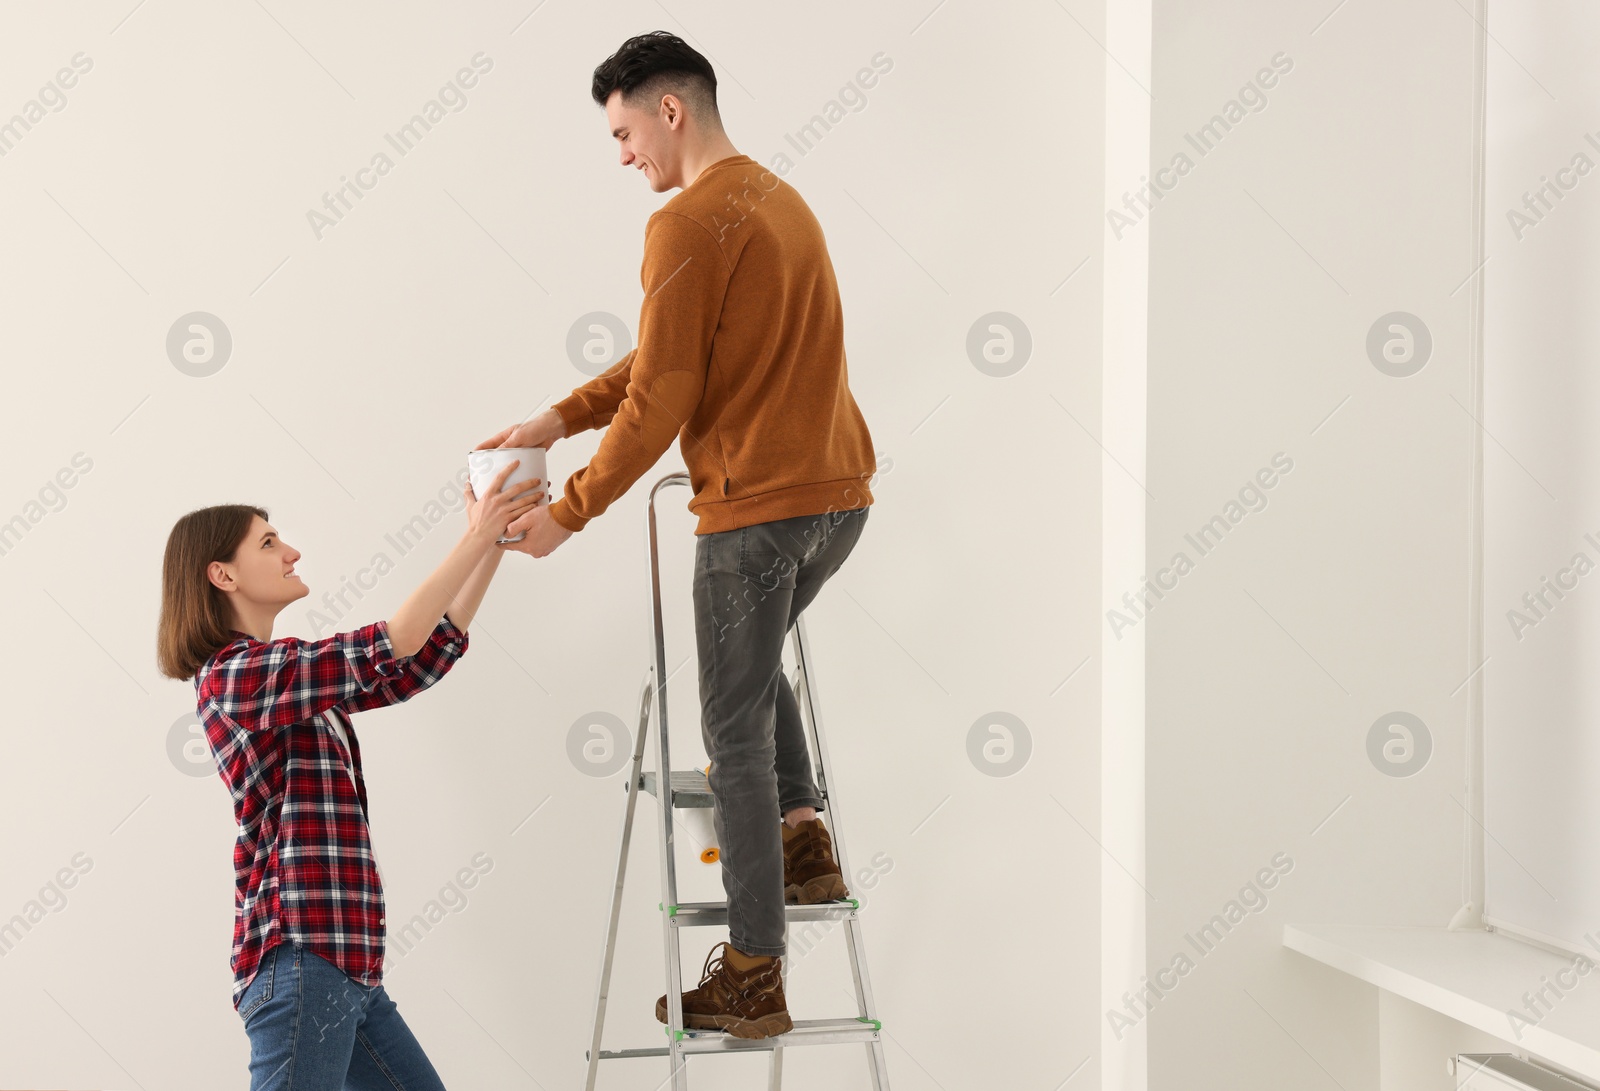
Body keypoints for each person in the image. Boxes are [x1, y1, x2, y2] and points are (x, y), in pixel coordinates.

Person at [476, 31, 878, 1039]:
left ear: (669, 109)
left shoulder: (685, 221)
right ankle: (802, 838)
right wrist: (555, 419)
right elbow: (668, 350)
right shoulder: (779, 202)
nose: (622, 158)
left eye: (622, 132)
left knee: (728, 732)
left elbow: (661, 396)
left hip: (751, 511)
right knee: (751, 672)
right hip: (838, 498)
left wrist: (565, 512)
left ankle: (752, 971)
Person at [155, 462, 541, 1090]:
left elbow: (417, 659)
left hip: (346, 965)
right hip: (300, 955)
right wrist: (475, 535)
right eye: (269, 543)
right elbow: (392, 640)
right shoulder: (235, 676)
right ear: (221, 575)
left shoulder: (291, 683)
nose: (292, 551)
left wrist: (492, 544)